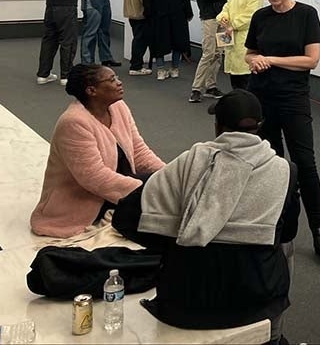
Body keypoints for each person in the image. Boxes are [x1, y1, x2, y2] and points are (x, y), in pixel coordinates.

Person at [112, 90, 300, 344]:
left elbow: (124, 218)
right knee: (284, 243)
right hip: (255, 301)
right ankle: (274, 337)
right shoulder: (285, 171)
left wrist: (175, 240)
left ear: (218, 126)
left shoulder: (188, 161)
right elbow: (287, 232)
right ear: (260, 126)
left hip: (183, 301)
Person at [245, 0, 320, 256]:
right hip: (262, 97)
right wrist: (255, 60)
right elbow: (250, 53)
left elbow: (311, 60)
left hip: (293, 98)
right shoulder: (260, 17)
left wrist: (270, 59)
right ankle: (276, 225)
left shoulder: (306, 15)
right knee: (272, 164)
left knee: (305, 164)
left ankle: (318, 229)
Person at [29, 64, 165, 238]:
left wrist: (168, 174)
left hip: (119, 186)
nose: (119, 82)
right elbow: (94, 178)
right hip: (89, 199)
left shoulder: (118, 107)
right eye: (112, 79)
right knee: (162, 204)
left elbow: (139, 151)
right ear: (92, 90)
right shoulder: (73, 122)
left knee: (168, 186)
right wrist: (145, 191)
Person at [191, 0, 232, 102]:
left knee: (219, 53)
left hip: (224, 17)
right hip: (209, 16)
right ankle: (196, 88)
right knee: (208, 52)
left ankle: (211, 85)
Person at [142, 0, 193, 83]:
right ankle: (175, 69)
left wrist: (148, 15)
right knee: (177, 42)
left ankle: (160, 70)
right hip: (177, 15)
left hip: (158, 17)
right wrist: (188, 13)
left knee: (158, 43)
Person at [216, 0, 265, 91]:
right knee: (235, 79)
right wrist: (223, 18)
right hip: (231, 38)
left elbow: (251, 14)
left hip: (245, 38)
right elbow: (226, 8)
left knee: (245, 80)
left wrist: (234, 25)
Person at [124, 0, 156, 75]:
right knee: (141, 40)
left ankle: (135, 63)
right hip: (140, 12)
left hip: (130, 10)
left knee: (137, 38)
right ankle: (136, 66)